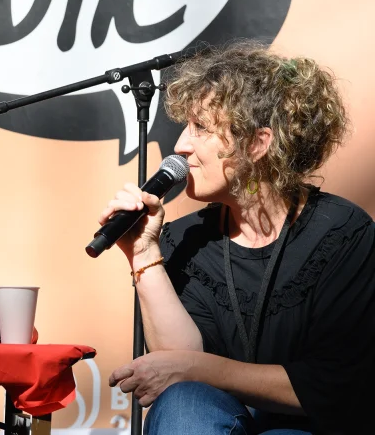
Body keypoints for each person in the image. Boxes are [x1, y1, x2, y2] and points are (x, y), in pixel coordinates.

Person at [98, 42, 375, 434]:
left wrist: (201, 369)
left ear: (258, 144)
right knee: (182, 403)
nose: (180, 145)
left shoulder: (342, 233)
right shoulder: (185, 239)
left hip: (311, 426)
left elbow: (336, 384)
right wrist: (143, 252)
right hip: (210, 419)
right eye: (186, 127)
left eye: (201, 128)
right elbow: (176, 369)